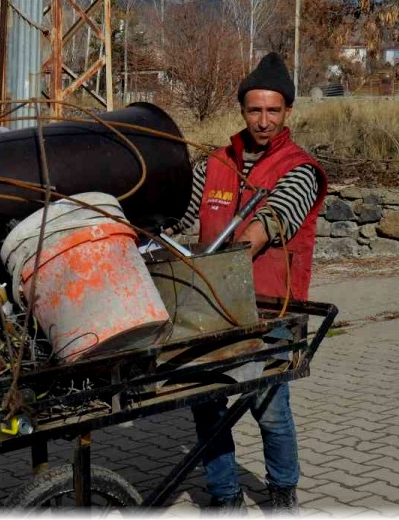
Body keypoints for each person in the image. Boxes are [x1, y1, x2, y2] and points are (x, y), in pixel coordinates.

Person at [174, 52, 327, 515]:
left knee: (270, 408)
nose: (263, 121)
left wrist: (231, 252)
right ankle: (224, 495)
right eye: (254, 110)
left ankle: (282, 490)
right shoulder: (214, 164)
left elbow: (272, 220)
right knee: (207, 404)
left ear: (288, 113)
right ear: (241, 110)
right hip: (209, 304)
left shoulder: (300, 169)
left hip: (269, 307)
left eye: (273, 111)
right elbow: (182, 216)